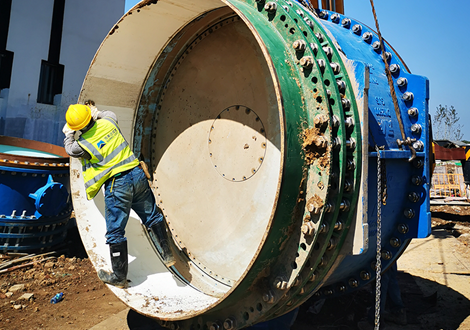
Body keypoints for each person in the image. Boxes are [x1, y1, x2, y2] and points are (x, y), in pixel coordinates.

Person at [62, 101, 175, 288]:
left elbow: (69, 148)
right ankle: (168, 253)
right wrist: (95, 112)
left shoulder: (82, 145)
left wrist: (68, 133)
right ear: (90, 115)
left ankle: (119, 277)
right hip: (136, 174)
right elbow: (107, 113)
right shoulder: (110, 121)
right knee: (152, 216)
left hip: (117, 184)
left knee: (115, 232)